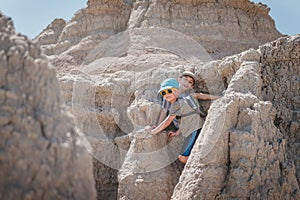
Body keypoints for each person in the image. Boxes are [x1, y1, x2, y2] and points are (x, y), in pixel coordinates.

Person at [145, 78, 205, 164]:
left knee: (182, 157)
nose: (166, 94)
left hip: (195, 129)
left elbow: (168, 121)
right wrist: (177, 132)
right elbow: (186, 118)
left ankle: (200, 165)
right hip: (192, 128)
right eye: (163, 93)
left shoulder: (177, 104)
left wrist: (153, 132)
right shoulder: (180, 101)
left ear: (177, 91)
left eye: (169, 91)